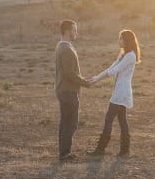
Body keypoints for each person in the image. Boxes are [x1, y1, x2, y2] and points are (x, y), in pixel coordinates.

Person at [87, 28, 141, 158]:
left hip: (121, 92)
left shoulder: (130, 56)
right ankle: (124, 150)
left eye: (121, 38)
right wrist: (95, 78)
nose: (119, 41)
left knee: (109, 119)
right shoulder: (123, 54)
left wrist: (96, 80)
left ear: (126, 40)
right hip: (120, 90)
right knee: (122, 120)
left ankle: (101, 149)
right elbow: (110, 68)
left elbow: (114, 70)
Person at [55, 19, 92, 162]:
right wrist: (85, 82)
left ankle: (64, 152)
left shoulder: (61, 46)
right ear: (68, 31)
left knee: (65, 122)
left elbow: (68, 72)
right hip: (68, 91)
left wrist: (81, 79)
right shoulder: (66, 49)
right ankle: (65, 153)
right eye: (75, 30)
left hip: (63, 89)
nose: (76, 32)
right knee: (71, 123)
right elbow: (69, 73)